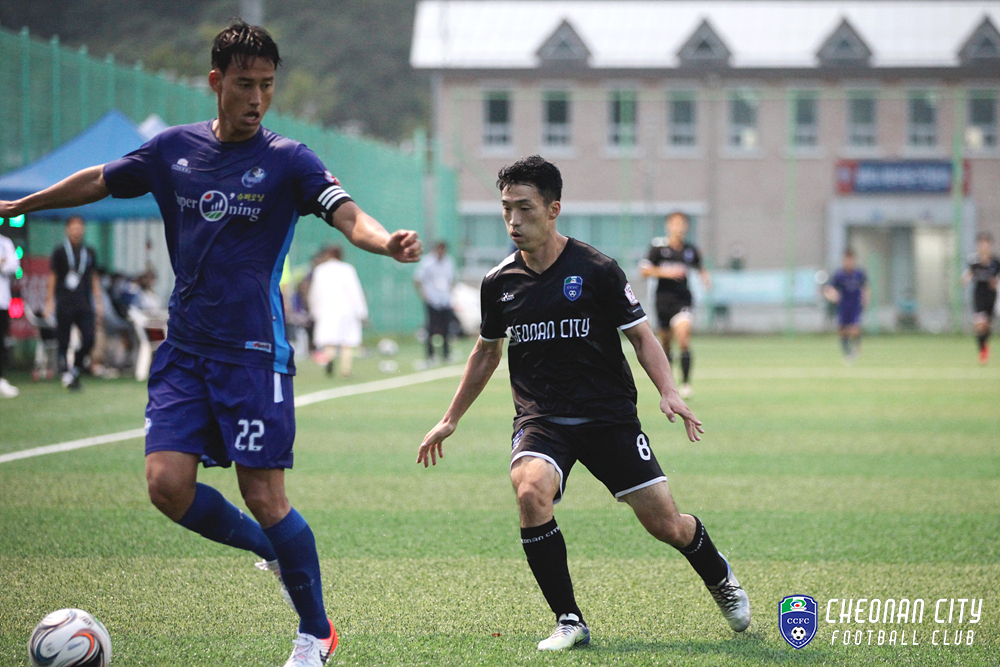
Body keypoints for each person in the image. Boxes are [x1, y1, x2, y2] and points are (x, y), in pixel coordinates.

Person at [0, 21, 421, 667]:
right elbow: (100, 180)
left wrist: (384, 240)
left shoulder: (290, 159)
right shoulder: (172, 150)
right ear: (216, 82)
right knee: (166, 485)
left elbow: (346, 212)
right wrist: (22, 204)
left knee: (265, 496)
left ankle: (316, 633)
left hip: (253, 354)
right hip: (185, 349)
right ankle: (270, 550)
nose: (258, 98)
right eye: (246, 84)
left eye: (268, 86)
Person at [417, 156, 750, 651]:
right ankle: (569, 619)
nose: (513, 221)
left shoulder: (596, 269)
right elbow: (486, 353)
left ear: (553, 209)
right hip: (542, 419)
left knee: (667, 525)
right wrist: (450, 419)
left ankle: (718, 575)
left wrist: (669, 391)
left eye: (524, 208)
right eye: (506, 209)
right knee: (530, 491)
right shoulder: (499, 282)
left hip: (608, 417)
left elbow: (641, 336)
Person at [638, 212, 710, 399]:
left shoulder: (690, 249)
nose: (678, 227)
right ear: (668, 226)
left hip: (683, 300)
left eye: (681, 223)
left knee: (683, 336)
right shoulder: (658, 247)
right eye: (675, 223)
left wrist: (705, 278)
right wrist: (666, 272)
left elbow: (700, 267)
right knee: (666, 344)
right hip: (663, 301)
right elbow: (644, 270)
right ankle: (668, 385)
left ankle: (685, 383)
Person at [45, 215, 103, 390]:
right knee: (63, 339)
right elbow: (53, 276)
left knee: (89, 339)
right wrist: (49, 300)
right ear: (67, 229)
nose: (76, 230)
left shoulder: (89, 252)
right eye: (73, 227)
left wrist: (98, 300)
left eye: (79, 227)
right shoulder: (60, 251)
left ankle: (76, 368)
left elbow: (94, 276)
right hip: (64, 302)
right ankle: (65, 372)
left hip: (84, 302)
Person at [308, 245, 368, 377]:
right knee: (347, 342)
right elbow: (355, 292)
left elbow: (315, 293)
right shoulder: (347, 269)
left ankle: (329, 359)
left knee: (330, 340)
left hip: (326, 310)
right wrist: (362, 312)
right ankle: (345, 370)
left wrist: (314, 310)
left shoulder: (320, 270)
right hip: (346, 310)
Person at [413, 240, 456, 364]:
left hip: (445, 300)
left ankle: (446, 354)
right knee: (431, 329)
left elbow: (451, 280)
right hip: (432, 300)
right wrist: (425, 296)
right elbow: (417, 279)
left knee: (446, 329)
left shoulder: (449, 261)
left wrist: (450, 293)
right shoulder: (427, 262)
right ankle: (430, 355)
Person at [823, 248, 869, 364]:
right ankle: (847, 353)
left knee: (854, 329)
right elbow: (829, 289)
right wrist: (833, 296)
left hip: (855, 306)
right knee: (842, 330)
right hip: (843, 306)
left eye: (850, 259)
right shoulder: (839, 275)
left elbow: (865, 287)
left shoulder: (859, 274)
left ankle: (857, 348)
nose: (848, 262)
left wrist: (865, 299)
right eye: (846, 260)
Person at [962, 232, 999, 364]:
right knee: (980, 324)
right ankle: (982, 351)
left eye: (986, 245)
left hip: (991, 295)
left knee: (987, 325)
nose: (983, 247)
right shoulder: (974, 261)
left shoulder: (995, 262)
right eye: (981, 245)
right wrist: (965, 280)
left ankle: (985, 344)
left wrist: (995, 283)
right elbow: (967, 276)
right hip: (978, 294)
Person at [0, 229, 20, 397]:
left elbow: (13, 265)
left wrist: (4, 263)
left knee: (1, 340)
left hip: (1, 300)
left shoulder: (5, 242)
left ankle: (0, 379)